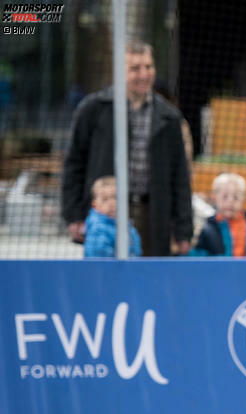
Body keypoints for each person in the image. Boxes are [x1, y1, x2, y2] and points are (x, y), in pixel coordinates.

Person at [61, 40, 193, 256]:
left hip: (154, 215)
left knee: (151, 281)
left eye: (148, 67)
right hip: (106, 214)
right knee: (106, 283)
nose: (144, 74)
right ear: (119, 72)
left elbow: (180, 177)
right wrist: (74, 215)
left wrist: (183, 230)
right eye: (135, 68)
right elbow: (74, 164)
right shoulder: (93, 110)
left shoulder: (169, 117)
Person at [189, 173, 246, 257]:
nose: (230, 201)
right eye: (225, 196)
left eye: (236, 197)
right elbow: (199, 257)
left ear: (243, 198)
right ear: (215, 197)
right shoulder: (208, 228)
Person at [82, 176, 142, 258]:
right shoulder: (98, 229)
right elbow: (99, 260)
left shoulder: (128, 227)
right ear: (95, 205)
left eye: (115, 198)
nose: (112, 204)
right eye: (105, 199)